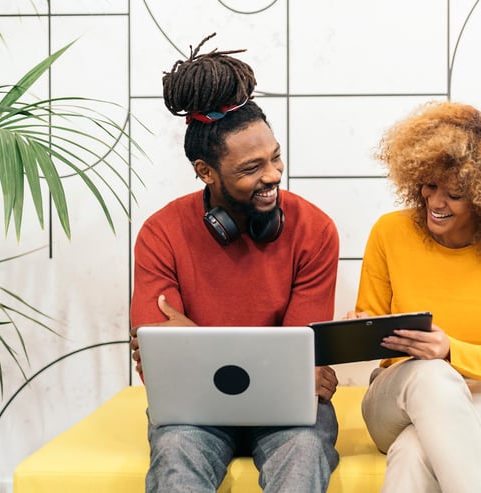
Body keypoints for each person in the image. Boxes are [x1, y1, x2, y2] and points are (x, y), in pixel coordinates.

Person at [129, 33, 340, 493]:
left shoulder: (314, 229)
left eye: (275, 158)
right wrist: (267, 359)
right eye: (250, 169)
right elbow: (159, 358)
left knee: (304, 453)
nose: (272, 176)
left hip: (289, 413)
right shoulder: (160, 233)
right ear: (205, 171)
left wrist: (197, 341)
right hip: (194, 413)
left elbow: (304, 360)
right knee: (176, 454)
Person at [346, 101, 481, 492]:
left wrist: (450, 351)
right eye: (429, 186)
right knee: (429, 374)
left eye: (455, 194)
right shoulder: (390, 232)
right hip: (394, 395)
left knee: (415, 448)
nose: (435, 202)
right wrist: (353, 333)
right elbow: (372, 329)